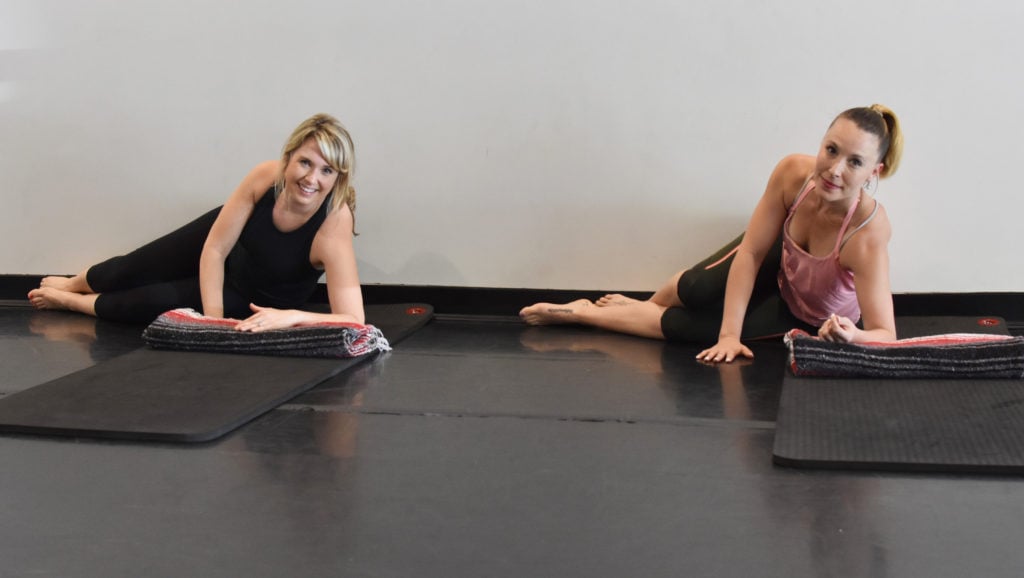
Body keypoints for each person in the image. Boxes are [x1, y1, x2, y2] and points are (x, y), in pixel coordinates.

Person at [520, 104, 904, 363]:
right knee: (695, 291)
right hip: (777, 264)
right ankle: (641, 307)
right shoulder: (792, 174)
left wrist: (852, 337)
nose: (835, 170)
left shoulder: (867, 234)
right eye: (831, 150)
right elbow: (752, 253)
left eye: (854, 162)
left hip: (806, 313)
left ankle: (583, 314)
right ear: (821, 143)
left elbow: (886, 332)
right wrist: (728, 335)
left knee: (686, 329)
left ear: (876, 171)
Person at [28, 113, 365, 331]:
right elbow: (216, 248)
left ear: (338, 178)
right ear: (288, 158)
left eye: (326, 170)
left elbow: (354, 320)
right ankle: (75, 283)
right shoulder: (265, 177)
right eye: (305, 162)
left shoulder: (332, 225)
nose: (311, 178)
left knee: (147, 302)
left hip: (250, 293)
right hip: (226, 246)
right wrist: (213, 318)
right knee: (132, 267)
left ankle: (71, 302)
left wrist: (292, 315)